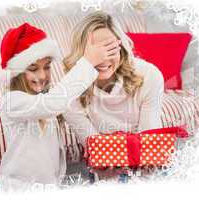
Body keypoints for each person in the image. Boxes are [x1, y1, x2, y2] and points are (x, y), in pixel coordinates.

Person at [0, 22, 120, 189]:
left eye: (47, 67)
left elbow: (68, 108)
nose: (42, 75)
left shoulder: (47, 99)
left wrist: (103, 157)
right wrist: (87, 63)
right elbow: (53, 103)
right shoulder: (12, 101)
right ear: (16, 73)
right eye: (33, 68)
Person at [63, 12, 164, 164]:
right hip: (106, 171)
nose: (103, 59)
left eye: (110, 49)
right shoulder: (69, 91)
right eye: (95, 52)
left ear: (121, 47)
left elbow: (150, 145)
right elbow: (98, 151)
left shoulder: (149, 75)